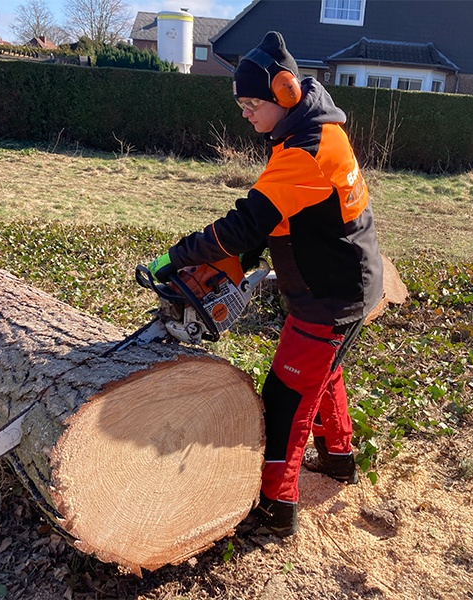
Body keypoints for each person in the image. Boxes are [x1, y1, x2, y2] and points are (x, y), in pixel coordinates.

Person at [148, 31, 384, 537]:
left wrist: (178, 256)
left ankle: (276, 506)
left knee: (286, 393)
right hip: (336, 280)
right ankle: (339, 457)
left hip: (331, 292)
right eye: (241, 105)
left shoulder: (308, 148)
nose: (246, 114)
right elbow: (281, 216)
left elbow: (246, 223)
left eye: (252, 103)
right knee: (324, 372)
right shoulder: (307, 134)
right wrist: (236, 259)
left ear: (284, 93)